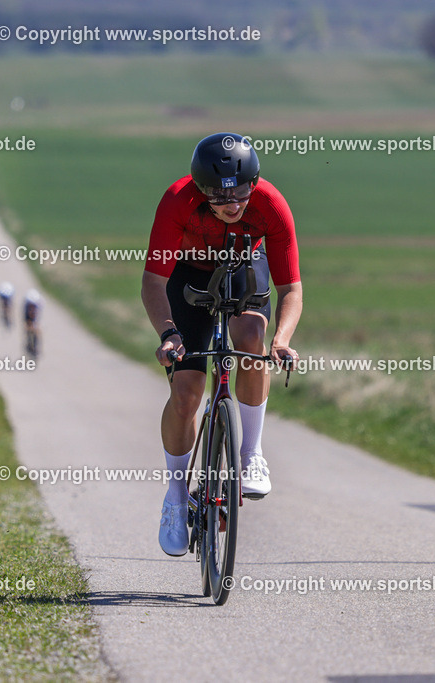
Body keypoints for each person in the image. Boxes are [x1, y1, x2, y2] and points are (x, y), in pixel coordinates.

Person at [141, 133, 303, 556]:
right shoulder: (177, 201)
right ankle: (176, 498)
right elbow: (154, 282)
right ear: (199, 189)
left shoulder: (271, 205)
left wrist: (281, 341)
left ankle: (250, 454)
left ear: (255, 181)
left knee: (251, 339)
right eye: (219, 195)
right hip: (188, 278)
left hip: (243, 268)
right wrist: (168, 334)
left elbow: (291, 289)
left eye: (242, 191)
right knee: (187, 392)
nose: (233, 204)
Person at [24, 288, 43, 356]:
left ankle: (36, 345)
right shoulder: (26, 304)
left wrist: (35, 325)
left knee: (36, 329)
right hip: (27, 312)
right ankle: (28, 341)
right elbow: (26, 315)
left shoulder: (40, 304)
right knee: (27, 326)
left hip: (36, 313)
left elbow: (38, 316)